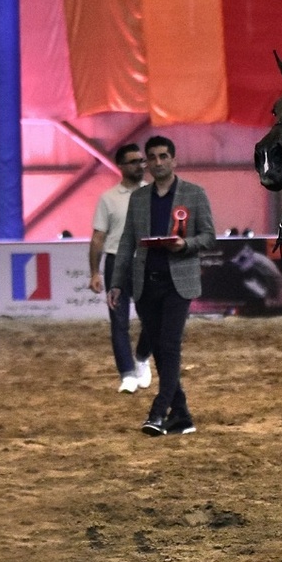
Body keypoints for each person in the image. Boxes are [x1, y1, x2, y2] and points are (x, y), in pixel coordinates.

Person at [108, 135, 216, 436]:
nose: (157, 162)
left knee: (168, 345)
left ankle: (158, 412)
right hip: (145, 284)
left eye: (163, 156)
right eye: (151, 157)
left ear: (174, 160)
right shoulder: (138, 199)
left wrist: (185, 244)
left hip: (178, 283)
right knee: (159, 348)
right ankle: (182, 416)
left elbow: (209, 236)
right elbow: (126, 242)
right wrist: (117, 283)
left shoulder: (194, 194)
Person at [89, 143, 153, 394]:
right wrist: (95, 271)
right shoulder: (108, 199)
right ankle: (126, 374)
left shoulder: (154, 193)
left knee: (153, 319)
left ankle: (141, 357)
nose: (141, 165)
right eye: (134, 161)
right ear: (121, 166)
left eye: (141, 161)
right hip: (117, 262)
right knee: (119, 321)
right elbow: (98, 237)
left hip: (148, 261)